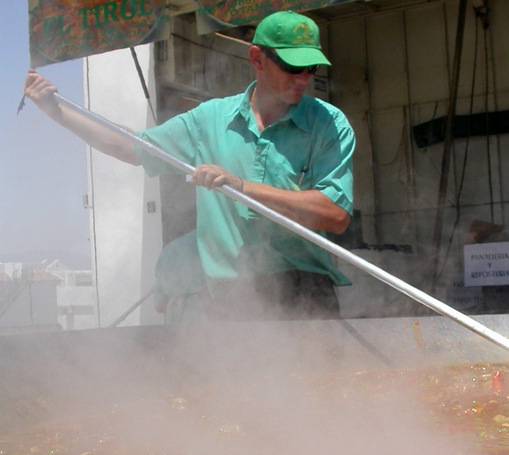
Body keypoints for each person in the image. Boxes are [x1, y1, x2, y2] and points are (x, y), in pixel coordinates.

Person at [24, 10, 356, 323]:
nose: (302, 78)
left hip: (306, 292)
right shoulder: (208, 120)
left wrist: (241, 186)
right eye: (291, 66)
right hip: (231, 296)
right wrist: (57, 112)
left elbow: (335, 215)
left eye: (310, 68)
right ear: (257, 58)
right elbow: (129, 146)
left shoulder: (328, 124)